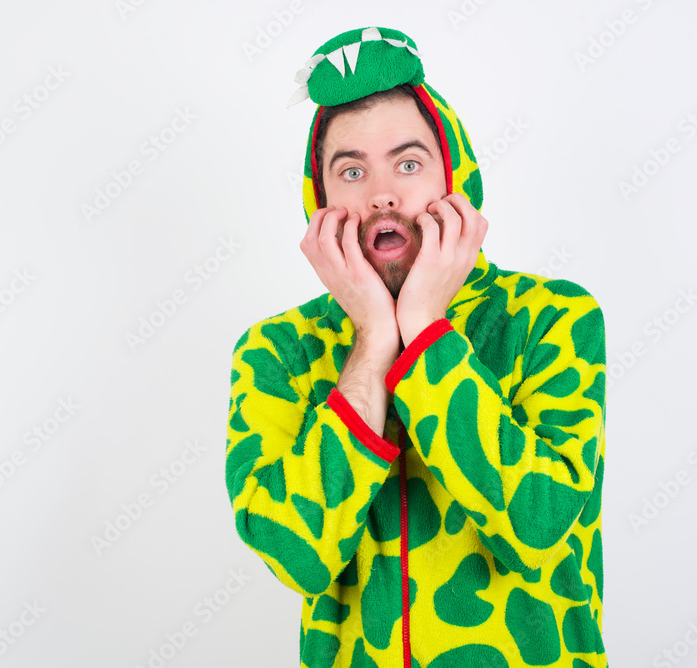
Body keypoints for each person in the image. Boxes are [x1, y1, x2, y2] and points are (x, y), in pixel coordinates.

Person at [225, 25, 608, 668]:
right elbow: (296, 554)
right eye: (351, 170)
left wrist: (426, 333)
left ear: (454, 176)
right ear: (318, 200)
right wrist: (374, 342)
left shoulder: (553, 319)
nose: (382, 194)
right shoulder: (276, 351)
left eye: (408, 163)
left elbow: (538, 525)